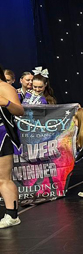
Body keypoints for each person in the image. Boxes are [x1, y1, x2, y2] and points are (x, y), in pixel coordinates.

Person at [0, 64, 24, 229]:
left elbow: (20, 111)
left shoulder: (4, 87)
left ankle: (12, 215)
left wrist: (6, 102)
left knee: (3, 178)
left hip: (1, 135)